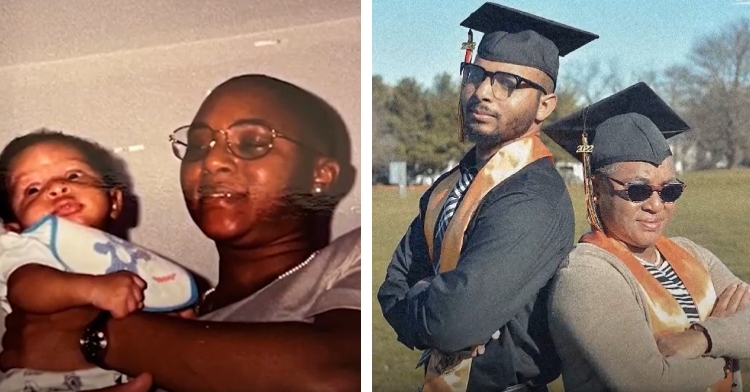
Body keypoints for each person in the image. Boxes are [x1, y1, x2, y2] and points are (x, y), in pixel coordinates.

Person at [0, 74, 361, 392]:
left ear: (321, 176)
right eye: (200, 145)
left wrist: (98, 336)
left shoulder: (357, 257)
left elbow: (341, 377)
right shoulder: (165, 307)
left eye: (251, 143)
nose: (211, 161)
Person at [377, 3, 598, 392]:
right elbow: (392, 288)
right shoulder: (448, 186)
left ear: (545, 105)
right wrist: (434, 306)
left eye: (508, 82)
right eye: (475, 74)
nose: (482, 91)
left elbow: (454, 321)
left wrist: (433, 304)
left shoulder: (534, 196)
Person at [544, 82, 750, 392]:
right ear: (596, 189)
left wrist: (702, 338)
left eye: (670, 191)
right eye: (637, 190)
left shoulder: (691, 253)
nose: (656, 205)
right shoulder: (587, 274)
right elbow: (650, 383)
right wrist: (727, 351)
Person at [0, 130, 198, 391]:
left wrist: (171, 304)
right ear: (15, 227)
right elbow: (25, 289)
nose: (57, 188)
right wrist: (94, 289)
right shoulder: (30, 246)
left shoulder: (126, 257)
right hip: (38, 383)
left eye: (74, 175)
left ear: (114, 200)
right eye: (33, 189)